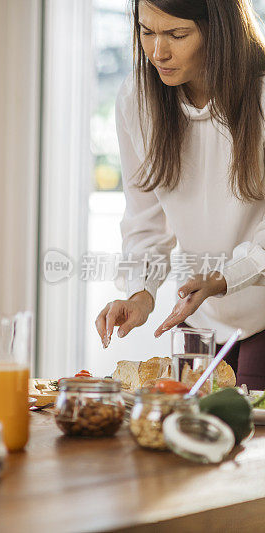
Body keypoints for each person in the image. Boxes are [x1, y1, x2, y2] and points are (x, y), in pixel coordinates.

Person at [95, 0, 265, 387]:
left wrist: (225, 278)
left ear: (219, 30)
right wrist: (141, 293)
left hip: (261, 310)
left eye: (177, 34)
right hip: (197, 313)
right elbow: (145, 216)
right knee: (184, 434)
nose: (158, 52)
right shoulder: (138, 98)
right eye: (146, 31)